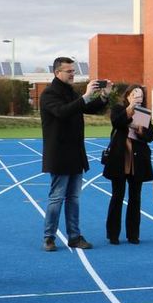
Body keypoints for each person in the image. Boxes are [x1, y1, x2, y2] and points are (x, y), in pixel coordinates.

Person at [40, 57, 111, 251]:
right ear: (57, 73)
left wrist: (104, 96)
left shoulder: (70, 92)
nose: (73, 74)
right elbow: (63, 112)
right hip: (59, 154)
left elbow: (86, 107)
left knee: (74, 198)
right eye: (69, 71)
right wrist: (85, 97)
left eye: (73, 70)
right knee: (56, 197)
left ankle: (74, 236)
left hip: (76, 153)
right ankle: (49, 237)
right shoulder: (48, 94)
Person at [103, 85, 153, 244]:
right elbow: (117, 122)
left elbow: (151, 135)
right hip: (120, 157)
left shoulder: (143, 113)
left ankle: (133, 234)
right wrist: (130, 108)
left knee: (135, 198)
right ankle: (113, 234)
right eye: (134, 94)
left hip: (138, 159)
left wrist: (142, 131)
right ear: (127, 96)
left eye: (140, 95)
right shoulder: (119, 108)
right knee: (117, 196)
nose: (138, 97)